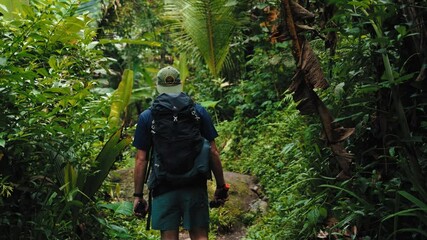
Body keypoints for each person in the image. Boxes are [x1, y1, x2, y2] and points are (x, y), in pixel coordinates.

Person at [132, 66, 228, 240]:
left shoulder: (148, 117)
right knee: (200, 236)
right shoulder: (198, 112)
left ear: (158, 86)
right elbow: (213, 151)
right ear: (180, 84)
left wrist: (138, 196)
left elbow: (141, 159)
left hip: (164, 186)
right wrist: (221, 186)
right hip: (195, 184)